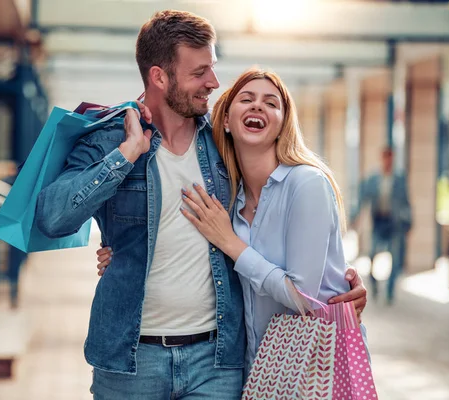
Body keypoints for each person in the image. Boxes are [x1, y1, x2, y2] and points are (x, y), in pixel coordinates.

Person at [38, 10, 366, 399]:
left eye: (212, 68)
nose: (213, 82)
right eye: (199, 73)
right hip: (130, 361)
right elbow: (53, 217)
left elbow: (273, 217)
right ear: (159, 76)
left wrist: (335, 280)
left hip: (217, 362)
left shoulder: (223, 143)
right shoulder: (111, 139)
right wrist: (125, 156)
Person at [99, 68, 368, 376]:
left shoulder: (306, 184)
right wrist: (124, 259)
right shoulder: (230, 200)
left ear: (283, 124)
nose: (258, 106)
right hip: (260, 372)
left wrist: (231, 243)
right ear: (225, 121)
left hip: (317, 368)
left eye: (271, 103)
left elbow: (302, 297)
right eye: (247, 99)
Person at [351, 147, 412, 305]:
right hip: (378, 222)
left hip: (394, 224)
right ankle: (374, 284)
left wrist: (409, 221)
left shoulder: (399, 179)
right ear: (382, 159)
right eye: (385, 158)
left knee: (395, 258)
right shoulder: (373, 179)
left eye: (390, 158)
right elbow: (362, 199)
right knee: (372, 255)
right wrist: (355, 217)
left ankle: (390, 290)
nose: (388, 161)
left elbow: (406, 203)